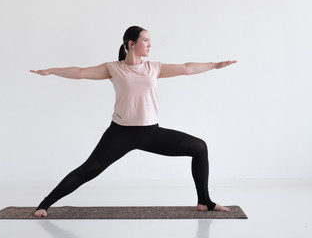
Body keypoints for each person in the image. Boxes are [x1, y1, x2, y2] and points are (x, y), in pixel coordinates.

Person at [30, 26, 237, 218]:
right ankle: (44, 204)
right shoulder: (113, 68)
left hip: (151, 133)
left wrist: (214, 65)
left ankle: (204, 202)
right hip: (120, 134)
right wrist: (52, 70)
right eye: (145, 40)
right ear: (131, 43)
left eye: (149, 40)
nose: (149, 44)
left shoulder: (154, 67)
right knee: (87, 171)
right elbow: (81, 72)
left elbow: (187, 68)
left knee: (199, 147)